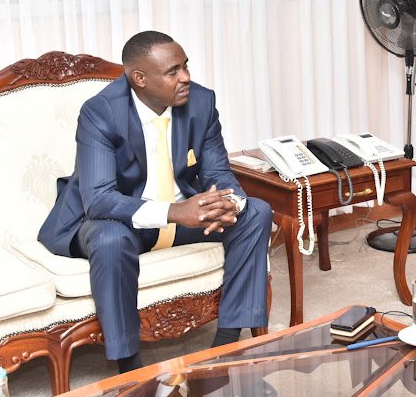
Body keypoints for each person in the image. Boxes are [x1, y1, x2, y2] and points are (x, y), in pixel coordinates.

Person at [38, 31, 272, 374]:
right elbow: (100, 200)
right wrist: (177, 212)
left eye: (185, 66)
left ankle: (225, 347)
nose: (186, 77)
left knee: (256, 212)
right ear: (139, 79)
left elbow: (219, 172)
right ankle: (129, 367)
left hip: (181, 221)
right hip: (121, 220)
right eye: (173, 71)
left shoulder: (202, 103)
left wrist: (229, 203)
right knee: (110, 239)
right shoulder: (101, 113)